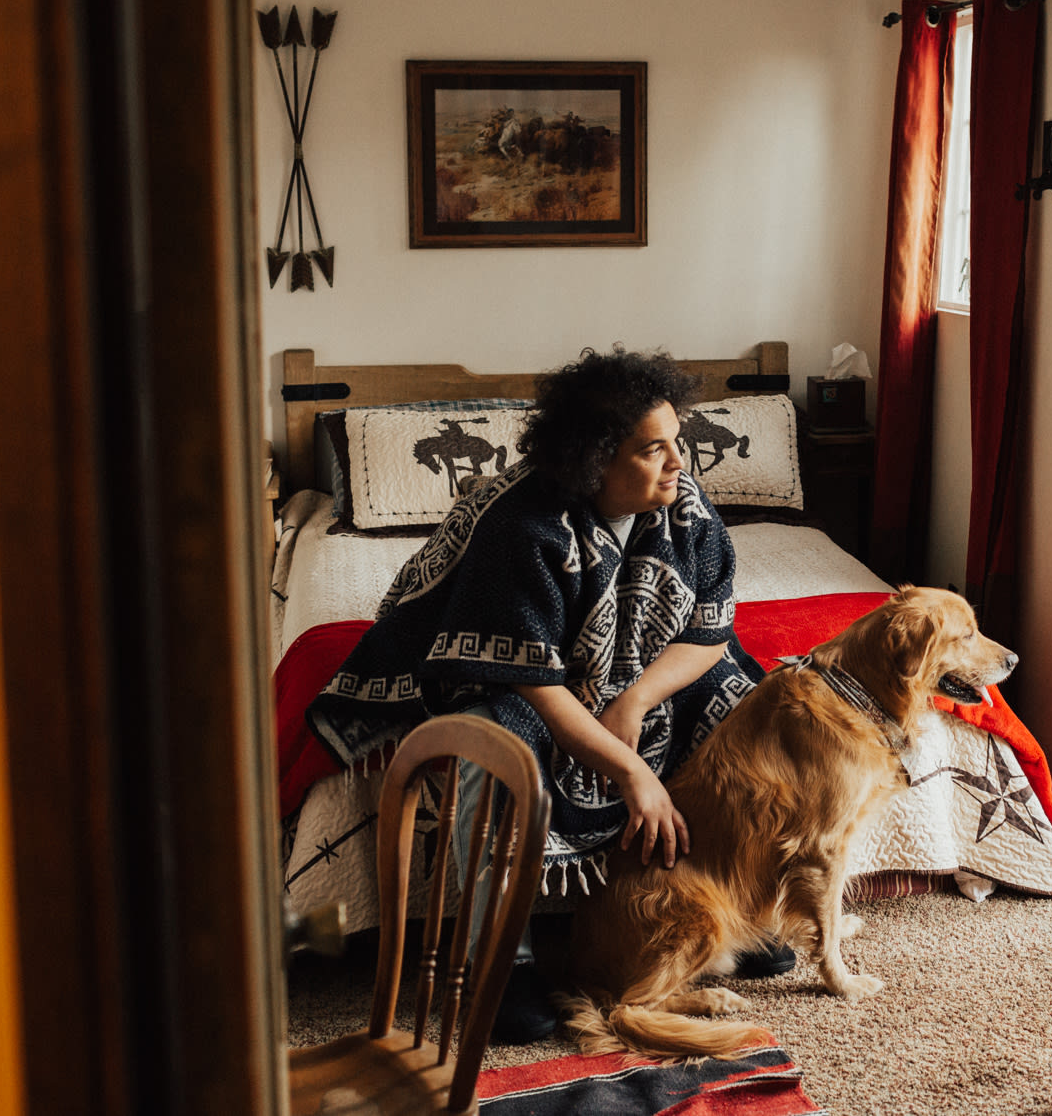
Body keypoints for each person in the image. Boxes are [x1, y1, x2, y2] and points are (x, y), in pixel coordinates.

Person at [306, 346, 788, 1043]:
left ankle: (733, 905)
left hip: (631, 664)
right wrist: (632, 773)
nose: (678, 462)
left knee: (741, 700)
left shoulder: (685, 504)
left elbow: (709, 631)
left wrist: (633, 702)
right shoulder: (520, 528)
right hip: (496, 664)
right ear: (595, 459)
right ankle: (497, 960)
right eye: (653, 449)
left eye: (676, 440)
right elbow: (534, 681)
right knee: (491, 745)